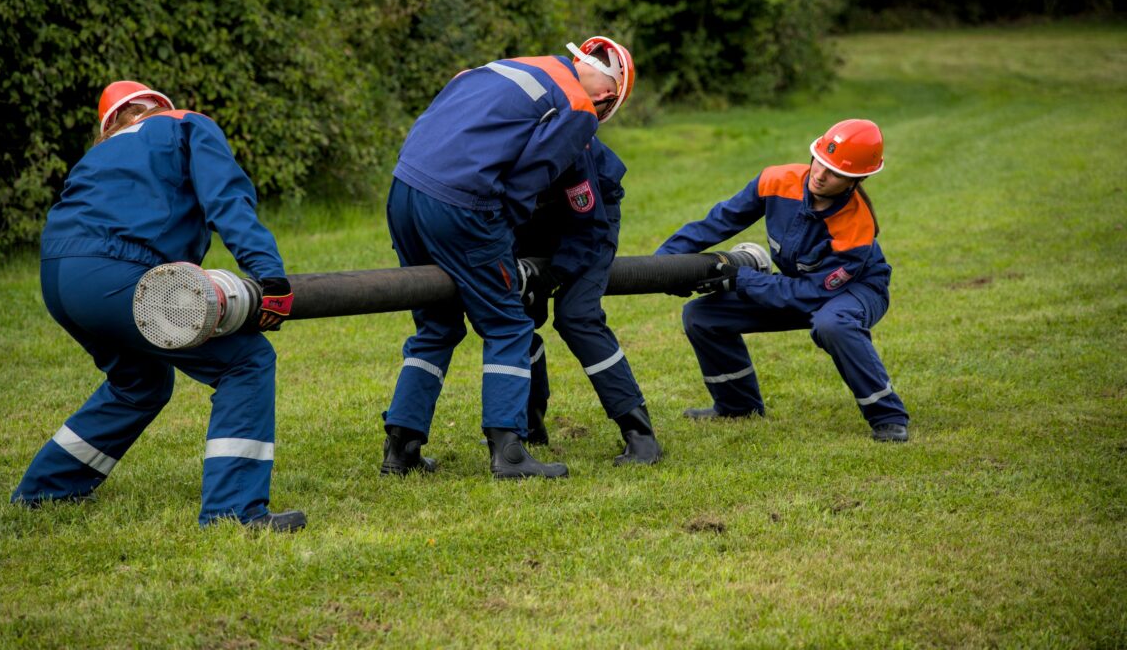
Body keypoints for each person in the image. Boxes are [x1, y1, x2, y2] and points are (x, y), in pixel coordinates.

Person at [11, 81, 306, 530]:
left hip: (58, 278)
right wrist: (268, 275)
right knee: (245, 361)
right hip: (119, 274)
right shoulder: (185, 124)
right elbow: (227, 199)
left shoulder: (97, 155)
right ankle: (232, 512)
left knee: (140, 382)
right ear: (156, 107)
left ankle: (44, 491)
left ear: (110, 125)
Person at [382, 36, 636, 479]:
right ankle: (509, 452)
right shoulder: (578, 107)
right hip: (462, 206)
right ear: (607, 96)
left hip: (403, 189)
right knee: (507, 323)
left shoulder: (506, 67)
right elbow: (530, 178)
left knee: (437, 325)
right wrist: (504, 239)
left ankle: (401, 449)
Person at [655, 119, 910, 442]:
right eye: (819, 161)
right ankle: (738, 406)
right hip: (801, 285)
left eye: (834, 173)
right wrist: (665, 262)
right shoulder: (776, 180)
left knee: (834, 324)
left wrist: (741, 280)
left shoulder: (855, 228)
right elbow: (718, 221)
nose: (819, 174)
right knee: (702, 316)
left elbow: (814, 295)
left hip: (854, 291)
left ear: (855, 180)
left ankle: (888, 416)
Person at [515, 135, 662, 465]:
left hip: (592, 215)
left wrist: (556, 272)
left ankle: (640, 435)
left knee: (576, 316)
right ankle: (529, 426)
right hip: (531, 217)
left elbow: (589, 226)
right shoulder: (490, 137)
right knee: (515, 319)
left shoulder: (567, 143)